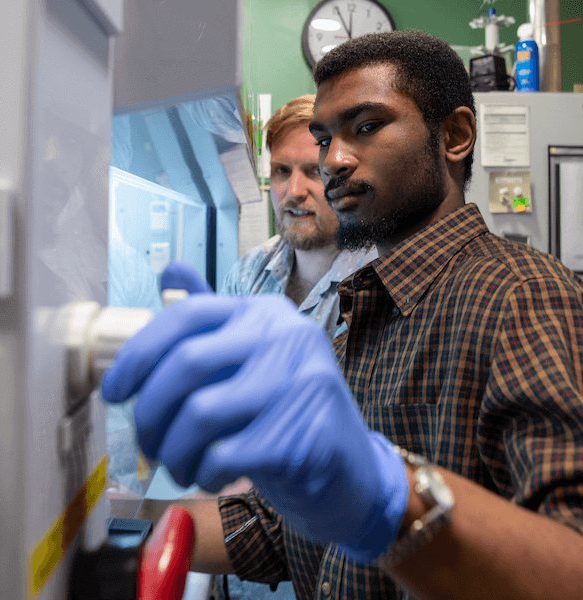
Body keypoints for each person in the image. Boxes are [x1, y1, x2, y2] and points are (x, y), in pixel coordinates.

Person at [102, 31, 583, 600]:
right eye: (326, 137)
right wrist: (105, 524)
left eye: (367, 126)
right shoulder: (366, 307)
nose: (334, 161)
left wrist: (387, 495)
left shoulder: (520, 296)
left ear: (454, 136)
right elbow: (283, 531)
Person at [219, 94, 376, 339]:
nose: (293, 192)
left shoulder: (376, 283)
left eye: (315, 171)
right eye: (281, 170)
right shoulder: (248, 273)